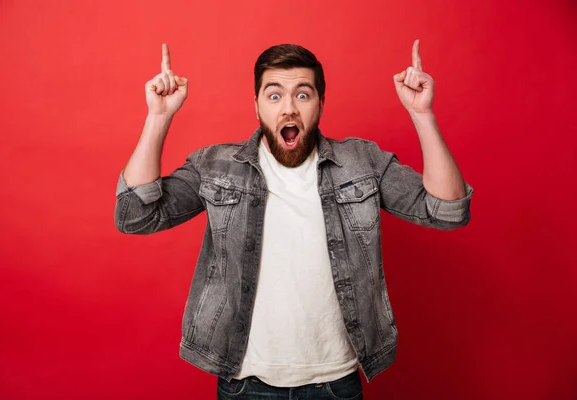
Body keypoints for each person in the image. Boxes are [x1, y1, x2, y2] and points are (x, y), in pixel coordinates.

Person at [115, 40, 472, 399]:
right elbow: (135, 214)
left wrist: (422, 115)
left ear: (320, 104)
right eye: (274, 96)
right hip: (246, 384)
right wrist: (158, 117)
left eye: (303, 95)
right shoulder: (215, 166)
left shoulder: (362, 162)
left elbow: (447, 211)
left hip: (335, 382)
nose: (288, 109)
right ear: (256, 107)